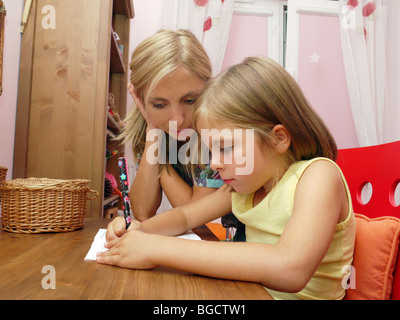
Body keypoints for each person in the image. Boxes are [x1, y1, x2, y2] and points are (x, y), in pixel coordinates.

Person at [98, 57, 356, 300]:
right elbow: (186, 216)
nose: (214, 163)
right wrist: (139, 230)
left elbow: (289, 268)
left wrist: (155, 249)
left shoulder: (318, 177)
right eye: (212, 151)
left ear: (278, 138)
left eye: (226, 148)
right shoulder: (247, 187)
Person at [120, 29, 227, 222]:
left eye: (190, 101)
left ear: (209, 88)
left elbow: (194, 213)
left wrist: (159, 155)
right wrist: (153, 133)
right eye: (159, 105)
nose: (177, 120)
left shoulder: (219, 134)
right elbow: (143, 211)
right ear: (141, 101)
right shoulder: (153, 129)